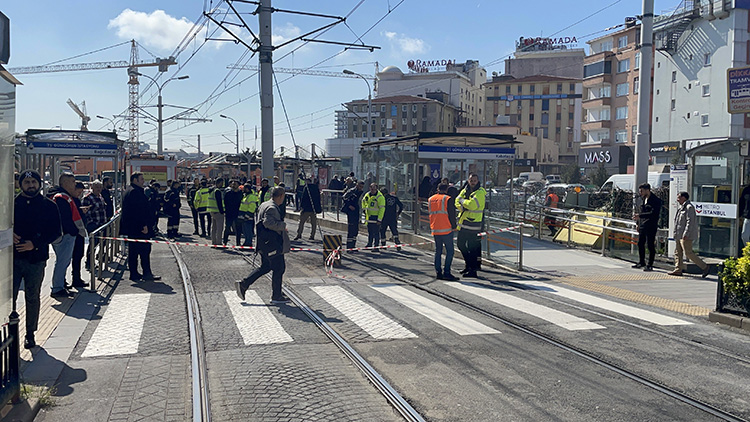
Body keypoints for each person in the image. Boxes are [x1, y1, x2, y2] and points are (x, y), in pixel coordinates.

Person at [14, 170, 61, 348]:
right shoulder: (12, 204)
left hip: (36, 259)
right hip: (13, 259)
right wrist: (8, 234)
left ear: (39, 183)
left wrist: (35, 244)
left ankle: (30, 333)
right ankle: (9, 332)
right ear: (21, 185)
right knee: (8, 298)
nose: (31, 185)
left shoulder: (49, 205)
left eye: (34, 182)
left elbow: (56, 231)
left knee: (32, 297)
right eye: (27, 182)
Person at [235, 187, 291, 304]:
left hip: (264, 243)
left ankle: (244, 284)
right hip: (272, 244)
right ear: (280, 196)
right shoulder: (272, 208)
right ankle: (276, 296)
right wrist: (282, 225)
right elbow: (268, 223)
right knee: (279, 268)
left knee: (266, 267)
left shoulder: (264, 204)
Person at [50, 173, 87, 297]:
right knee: (62, 262)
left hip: (61, 234)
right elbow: (65, 218)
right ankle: (57, 288)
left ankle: (60, 284)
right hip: (65, 235)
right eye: (72, 181)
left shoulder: (60, 195)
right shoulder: (62, 197)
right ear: (65, 183)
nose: (74, 184)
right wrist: (73, 232)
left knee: (62, 261)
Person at [121, 172, 161, 282]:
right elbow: (137, 211)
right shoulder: (134, 192)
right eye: (141, 179)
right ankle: (146, 273)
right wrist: (143, 226)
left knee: (134, 251)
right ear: (135, 180)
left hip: (133, 227)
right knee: (144, 250)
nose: (143, 181)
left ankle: (134, 273)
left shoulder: (130, 190)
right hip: (139, 228)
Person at [669, 192, 710, 277]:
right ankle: (678, 269)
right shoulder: (681, 207)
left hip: (685, 235)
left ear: (684, 198)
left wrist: (686, 233)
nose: (677, 199)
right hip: (679, 234)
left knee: (688, 253)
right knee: (678, 252)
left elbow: (690, 222)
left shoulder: (689, 207)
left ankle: (704, 266)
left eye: (679, 198)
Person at [455, 173, 486, 278]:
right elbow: (456, 200)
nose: (473, 182)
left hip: (474, 224)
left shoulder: (480, 192)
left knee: (472, 248)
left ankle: (473, 270)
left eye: (475, 180)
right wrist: (463, 206)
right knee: (460, 244)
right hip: (463, 224)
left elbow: (472, 205)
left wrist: (463, 202)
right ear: (468, 180)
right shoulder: (465, 189)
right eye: (471, 180)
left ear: (478, 181)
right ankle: (468, 265)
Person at [429, 183, 458, 280]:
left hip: (435, 229)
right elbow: (451, 214)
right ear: (446, 190)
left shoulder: (431, 199)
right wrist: (454, 226)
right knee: (450, 251)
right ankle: (447, 272)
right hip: (446, 229)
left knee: (438, 251)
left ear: (437, 189)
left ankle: (438, 272)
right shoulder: (447, 199)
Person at [632, 183, 663, 272]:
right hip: (642, 225)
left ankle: (650, 264)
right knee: (640, 243)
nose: (640, 193)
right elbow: (641, 211)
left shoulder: (655, 200)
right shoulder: (643, 199)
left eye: (642, 191)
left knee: (650, 245)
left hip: (651, 225)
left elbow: (653, 214)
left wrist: (640, 216)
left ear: (647, 190)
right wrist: (638, 223)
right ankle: (641, 262)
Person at [82, 180, 108, 272]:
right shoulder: (88, 198)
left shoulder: (100, 197)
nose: (99, 189)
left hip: (102, 224)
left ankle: (99, 257)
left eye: (100, 187)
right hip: (94, 224)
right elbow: (86, 213)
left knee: (103, 242)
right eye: (96, 187)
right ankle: (89, 262)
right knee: (93, 243)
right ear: (92, 188)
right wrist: (91, 224)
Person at [70, 181, 90, 289]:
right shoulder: (71, 200)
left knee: (78, 256)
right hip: (75, 232)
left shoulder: (77, 200)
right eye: (79, 191)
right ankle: (74, 278)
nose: (80, 194)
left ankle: (77, 277)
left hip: (80, 232)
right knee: (73, 256)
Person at [361, 183, 385, 248]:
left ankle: (376, 246)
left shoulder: (380, 197)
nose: (372, 190)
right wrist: (364, 210)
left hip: (376, 217)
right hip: (369, 216)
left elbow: (382, 209)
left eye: (374, 189)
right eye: (371, 188)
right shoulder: (367, 195)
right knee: (370, 232)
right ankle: (369, 244)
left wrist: (379, 219)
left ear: (376, 188)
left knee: (376, 232)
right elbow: (363, 201)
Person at [342, 180, 365, 249]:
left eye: (362, 187)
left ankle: (353, 245)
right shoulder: (352, 191)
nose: (361, 188)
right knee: (351, 228)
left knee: (355, 229)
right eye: (360, 186)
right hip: (351, 211)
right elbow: (344, 197)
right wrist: (349, 205)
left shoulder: (360, 192)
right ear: (357, 185)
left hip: (356, 211)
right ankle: (349, 246)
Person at [223, 179, 243, 245]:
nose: (233, 185)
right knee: (228, 227)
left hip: (237, 212)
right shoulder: (228, 193)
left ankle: (238, 243)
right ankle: (225, 241)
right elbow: (225, 202)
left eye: (235, 184)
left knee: (238, 229)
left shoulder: (240, 193)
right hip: (229, 213)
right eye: (233, 184)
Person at [208, 178, 225, 246]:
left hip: (212, 211)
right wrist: (222, 211)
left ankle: (213, 241)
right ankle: (219, 242)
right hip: (218, 211)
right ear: (219, 183)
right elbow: (219, 202)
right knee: (219, 228)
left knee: (214, 227)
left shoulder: (211, 190)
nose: (222, 184)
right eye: (222, 183)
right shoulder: (217, 191)